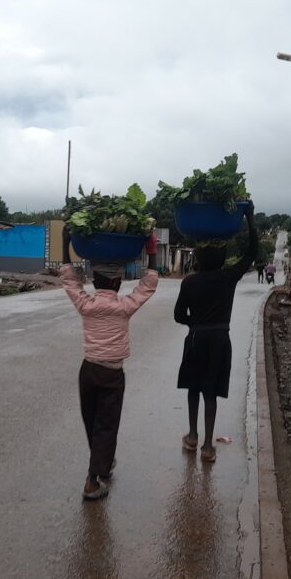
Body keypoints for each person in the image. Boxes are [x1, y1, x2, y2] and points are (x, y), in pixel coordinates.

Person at [61, 226, 159, 500]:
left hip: (88, 371)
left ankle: (102, 463)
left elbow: (69, 280)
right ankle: (93, 480)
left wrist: (65, 243)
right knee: (107, 424)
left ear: (94, 282)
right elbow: (149, 284)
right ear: (117, 283)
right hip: (112, 374)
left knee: (92, 422)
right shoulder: (124, 307)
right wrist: (151, 250)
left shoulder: (86, 305)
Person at [173, 202, 257, 462]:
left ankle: (192, 437)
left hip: (196, 338)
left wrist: (194, 323)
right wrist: (249, 217)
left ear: (197, 257)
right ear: (222, 258)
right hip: (220, 340)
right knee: (210, 392)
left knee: (194, 388)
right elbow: (252, 252)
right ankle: (208, 447)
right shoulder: (228, 277)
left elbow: (178, 316)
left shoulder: (189, 283)